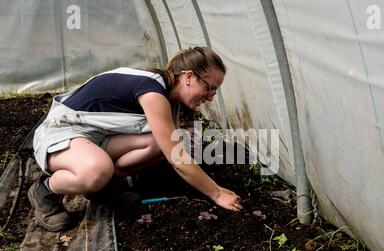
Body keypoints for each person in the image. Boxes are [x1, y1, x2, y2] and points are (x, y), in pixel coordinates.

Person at [28, 46, 243, 232]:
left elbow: (170, 148)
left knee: (161, 141)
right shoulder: (153, 92)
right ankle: (45, 189)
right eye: (210, 87)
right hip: (61, 131)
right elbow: (178, 159)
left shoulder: (169, 97)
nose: (210, 96)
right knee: (97, 170)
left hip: (97, 136)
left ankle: (103, 187)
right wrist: (215, 193)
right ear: (188, 77)